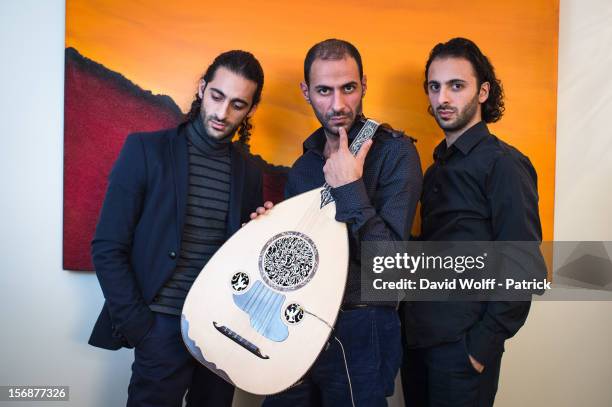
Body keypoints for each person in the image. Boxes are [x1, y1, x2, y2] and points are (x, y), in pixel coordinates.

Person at [88, 50, 265, 407]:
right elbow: (107, 246)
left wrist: (259, 231)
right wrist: (141, 327)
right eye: (216, 96)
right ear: (202, 88)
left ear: (250, 109)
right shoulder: (145, 150)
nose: (222, 112)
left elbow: (239, 260)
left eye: (237, 104)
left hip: (221, 331)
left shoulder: (250, 171)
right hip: (160, 327)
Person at [254, 38, 422, 406]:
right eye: (324, 91)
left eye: (348, 88)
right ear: (306, 92)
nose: (338, 104)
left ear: (364, 84)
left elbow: (391, 264)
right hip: (297, 324)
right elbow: (299, 261)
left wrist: (350, 187)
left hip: (362, 325)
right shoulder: (304, 166)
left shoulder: (397, 152)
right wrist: (268, 235)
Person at [400, 37, 544, 406]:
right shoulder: (433, 171)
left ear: (482, 92)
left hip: (462, 352)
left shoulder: (504, 164)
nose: (443, 98)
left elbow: (523, 265)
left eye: (456, 85)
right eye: (435, 87)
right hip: (418, 343)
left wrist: (480, 349)